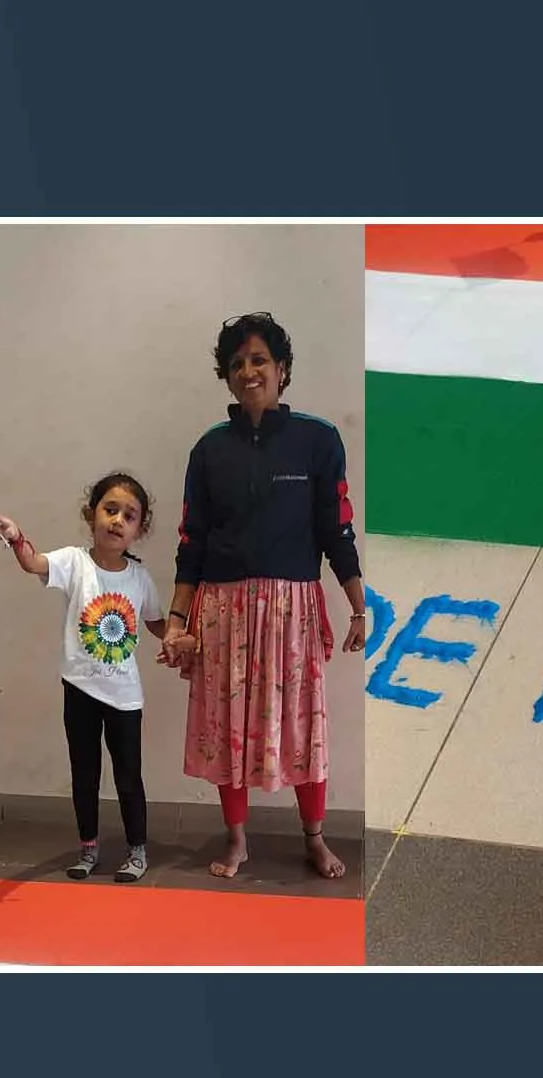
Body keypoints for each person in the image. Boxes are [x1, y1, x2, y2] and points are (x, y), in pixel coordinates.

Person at [161, 312, 365, 880]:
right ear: (227, 378)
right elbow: (191, 541)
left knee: (303, 728)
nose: (249, 372)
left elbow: (336, 528)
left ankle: (315, 839)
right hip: (221, 612)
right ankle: (237, 840)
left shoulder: (318, 440)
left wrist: (357, 605)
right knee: (228, 729)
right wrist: (178, 620)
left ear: (283, 370)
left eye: (259, 360)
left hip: (292, 613)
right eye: (237, 364)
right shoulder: (209, 451)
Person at [0, 473, 173, 883]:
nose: (118, 520)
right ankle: (88, 847)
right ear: (91, 515)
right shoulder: (74, 562)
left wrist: (182, 637)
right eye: (110, 510)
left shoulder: (140, 579)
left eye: (129, 515)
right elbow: (33, 562)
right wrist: (16, 536)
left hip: (125, 696)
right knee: (83, 774)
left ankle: (136, 850)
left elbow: (160, 625)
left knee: (128, 776)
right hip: (80, 688)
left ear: (139, 528)